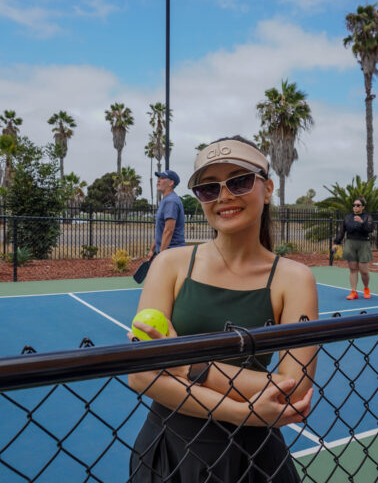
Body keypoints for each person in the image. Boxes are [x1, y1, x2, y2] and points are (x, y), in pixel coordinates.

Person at [127, 136, 318, 482]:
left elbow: (294, 392)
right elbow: (140, 375)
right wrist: (244, 411)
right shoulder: (169, 265)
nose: (225, 196)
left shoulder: (294, 279)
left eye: (239, 181)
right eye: (209, 188)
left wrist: (185, 363)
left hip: (253, 457)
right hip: (170, 450)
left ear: (268, 187)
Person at [332, 197, 374, 300]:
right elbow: (342, 231)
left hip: (363, 244)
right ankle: (353, 291)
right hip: (350, 243)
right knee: (353, 269)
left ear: (363, 207)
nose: (355, 207)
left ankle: (366, 289)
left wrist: (362, 222)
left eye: (358, 205)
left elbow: (370, 229)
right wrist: (336, 242)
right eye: (354, 205)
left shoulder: (367, 217)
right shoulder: (347, 218)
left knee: (364, 270)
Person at [150, 170, 186, 259]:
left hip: (172, 253)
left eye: (162, 178)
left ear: (171, 183)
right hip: (168, 252)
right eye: (159, 178)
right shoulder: (166, 200)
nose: (158, 180)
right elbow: (161, 230)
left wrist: (160, 256)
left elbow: (168, 231)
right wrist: (152, 249)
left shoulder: (171, 201)